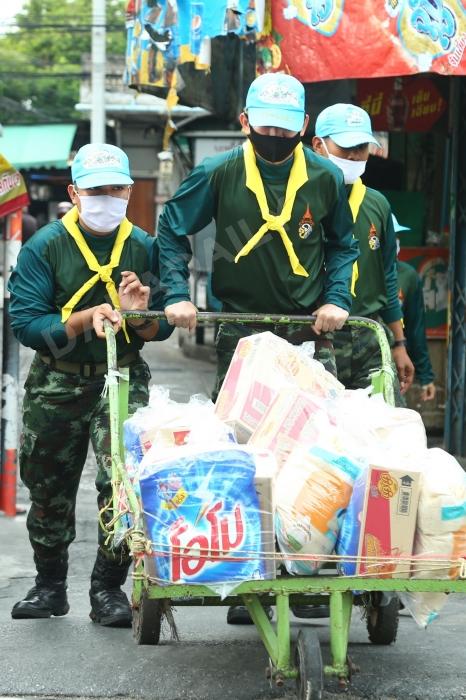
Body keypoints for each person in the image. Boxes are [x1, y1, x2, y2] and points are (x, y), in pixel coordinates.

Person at [156, 73, 359, 623]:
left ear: (304, 127)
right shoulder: (219, 171)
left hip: (309, 330)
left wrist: (336, 298)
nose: (275, 138)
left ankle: (309, 575)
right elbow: (172, 229)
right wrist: (177, 293)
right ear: (245, 122)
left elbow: (342, 245)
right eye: (265, 128)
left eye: (285, 130)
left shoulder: (323, 176)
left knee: (318, 456)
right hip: (241, 332)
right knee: (247, 457)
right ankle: (252, 582)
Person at [8, 143, 172, 627]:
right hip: (56, 380)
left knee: (121, 484)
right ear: (74, 193)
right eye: (96, 190)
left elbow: (162, 323)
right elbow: (27, 325)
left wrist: (138, 314)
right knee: (48, 485)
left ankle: (107, 588)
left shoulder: (144, 246)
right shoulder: (45, 247)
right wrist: (85, 318)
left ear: (129, 191)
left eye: (116, 189)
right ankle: (49, 586)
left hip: (121, 376)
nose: (107, 198)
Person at [312, 103, 414, 401]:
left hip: (369, 334)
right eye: (346, 147)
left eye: (361, 147)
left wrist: (399, 343)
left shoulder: (377, 204)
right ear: (318, 145)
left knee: (385, 421)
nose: (355, 156)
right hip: (315, 334)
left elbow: (388, 276)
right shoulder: (302, 198)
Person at [393, 214, 436, 401]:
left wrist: (426, 376)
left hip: (394, 360)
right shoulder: (355, 270)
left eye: (396, 237)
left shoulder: (408, 276)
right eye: (390, 236)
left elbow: (415, 327)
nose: (395, 241)